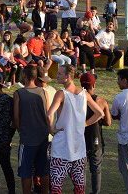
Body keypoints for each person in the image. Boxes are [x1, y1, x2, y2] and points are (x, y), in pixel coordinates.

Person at [46, 65, 104, 194]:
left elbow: (49, 114)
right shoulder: (84, 94)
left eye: (60, 73)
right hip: (79, 147)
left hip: (62, 146)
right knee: (79, 187)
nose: (57, 75)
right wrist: (84, 124)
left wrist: (51, 130)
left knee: (56, 186)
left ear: (67, 77)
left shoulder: (61, 94)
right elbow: (100, 113)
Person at [13, 66, 50, 194]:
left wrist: (20, 130)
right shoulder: (43, 91)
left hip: (27, 138)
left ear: (24, 75)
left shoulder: (19, 93)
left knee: (26, 171)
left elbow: (16, 117)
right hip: (43, 136)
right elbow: (48, 114)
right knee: (43, 170)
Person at [80, 73, 112, 194]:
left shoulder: (77, 99)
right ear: (94, 85)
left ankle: (79, 190)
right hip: (95, 138)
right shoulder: (101, 101)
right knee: (96, 169)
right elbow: (108, 122)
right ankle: (95, 192)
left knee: (80, 168)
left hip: (80, 138)